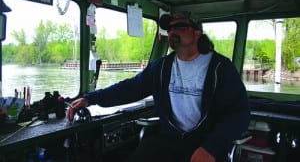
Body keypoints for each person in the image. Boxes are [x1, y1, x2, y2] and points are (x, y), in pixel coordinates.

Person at [67, 11, 250, 162]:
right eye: (169, 28)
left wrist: (211, 147)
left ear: (197, 33)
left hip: (206, 144)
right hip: (169, 140)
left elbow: (239, 114)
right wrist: (90, 98)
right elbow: (131, 88)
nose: (172, 32)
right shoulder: (162, 67)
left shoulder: (220, 68)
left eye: (180, 26)